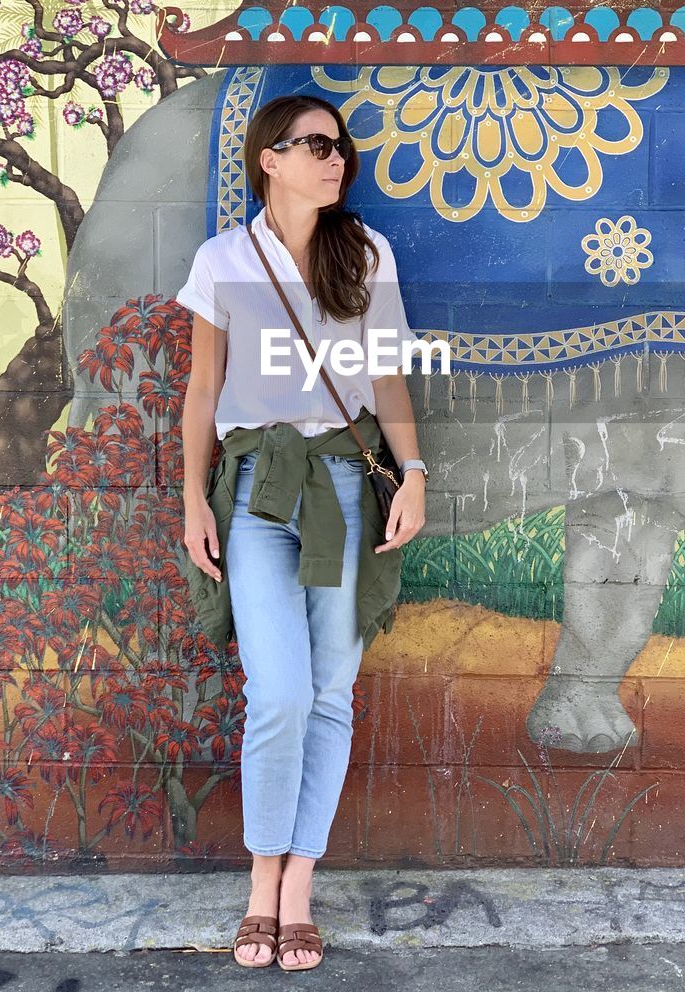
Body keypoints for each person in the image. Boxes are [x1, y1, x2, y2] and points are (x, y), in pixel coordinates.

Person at [176, 92, 427, 971]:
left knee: (329, 694)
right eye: (316, 145)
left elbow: (388, 379)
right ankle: (258, 883)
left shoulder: (365, 252)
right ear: (268, 159)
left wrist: (416, 477)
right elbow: (203, 391)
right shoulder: (221, 261)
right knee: (278, 691)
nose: (336, 161)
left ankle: (296, 891)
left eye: (341, 148)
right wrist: (191, 500)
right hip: (256, 491)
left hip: (350, 489)